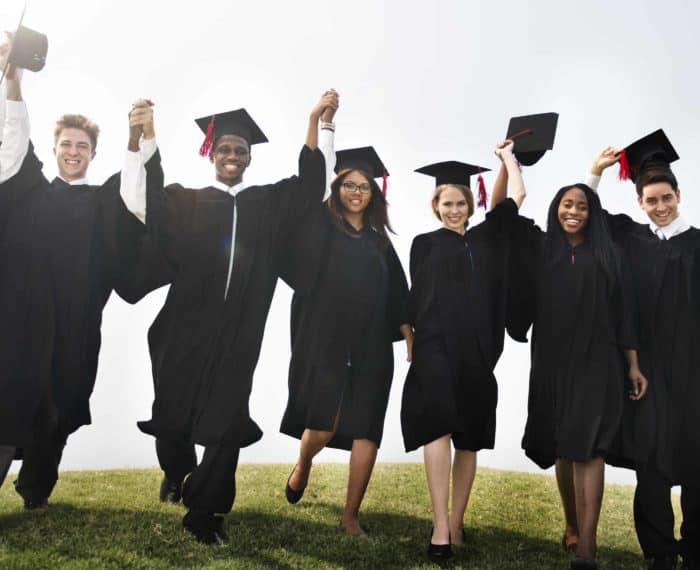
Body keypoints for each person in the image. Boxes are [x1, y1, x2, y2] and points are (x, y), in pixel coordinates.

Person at [121, 91, 334, 544]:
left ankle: (206, 512)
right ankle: (177, 472)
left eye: (240, 151)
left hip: (239, 335)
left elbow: (312, 185)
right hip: (181, 330)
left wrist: (318, 121)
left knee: (227, 417)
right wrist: (147, 137)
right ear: (211, 154)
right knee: (172, 412)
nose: (232, 156)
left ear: (250, 158)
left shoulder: (267, 204)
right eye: (224, 150)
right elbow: (147, 203)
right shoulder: (187, 200)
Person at [0, 38, 153, 507]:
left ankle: (36, 492)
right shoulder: (32, 191)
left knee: (58, 411)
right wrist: (12, 79)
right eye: (65, 144)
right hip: (21, 324)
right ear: (54, 147)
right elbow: (12, 143)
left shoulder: (102, 203)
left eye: (81, 145)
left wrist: (136, 139)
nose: (72, 151)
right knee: (7, 407)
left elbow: (134, 198)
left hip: (75, 328)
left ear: (92, 152)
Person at [279, 106, 411, 536]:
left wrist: (407, 329)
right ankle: (304, 463)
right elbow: (313, 169)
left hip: (372, 341)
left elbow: (398, 289)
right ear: (338, 189)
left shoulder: (378, 241)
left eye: (364, 186)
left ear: (375, 193)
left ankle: (350, 515)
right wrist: (319, 121)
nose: (357, 192)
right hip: (326, 337)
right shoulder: (322, 225)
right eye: (349, 184)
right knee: (323, 422)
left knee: (368, 426)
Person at [509, 162, 648, 568]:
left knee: (590, 448)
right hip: (552, 361)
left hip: (598, 362)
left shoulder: (608, 255)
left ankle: (588, 542)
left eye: (582, 207)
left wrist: (633, 366)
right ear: (555, 209)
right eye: (567, 204)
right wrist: (508, 164)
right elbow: (506, 214)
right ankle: (571, 524)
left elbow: (624, 314)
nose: (574, 212)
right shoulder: (542, 248)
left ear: (593, 214)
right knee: (564, 448)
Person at [400, 141, 529, 564]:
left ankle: (457, 521)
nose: (454, 209)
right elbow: (415, 299)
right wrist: (410, 335)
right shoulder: (424, 244)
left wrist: (507, 160)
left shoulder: (486, 241)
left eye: (460, 202)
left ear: (471, 204)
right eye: (447, 202)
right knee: (437, 428)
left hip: (478, 354)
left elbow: (514, 199)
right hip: (436, 349)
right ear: (435, 205)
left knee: (469, 439)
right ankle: (439, 525)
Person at [584, 132, 700, 570]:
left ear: (678, 194)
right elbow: (586, 213)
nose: (660, 206)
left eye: (665, 197)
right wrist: (596, 172)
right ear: (640, 202)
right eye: (650, 200)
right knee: (650, 464)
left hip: (694, 371)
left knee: (696, 461)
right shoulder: (631, 237)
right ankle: (660, 555)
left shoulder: (698, 243)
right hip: (646, 370)